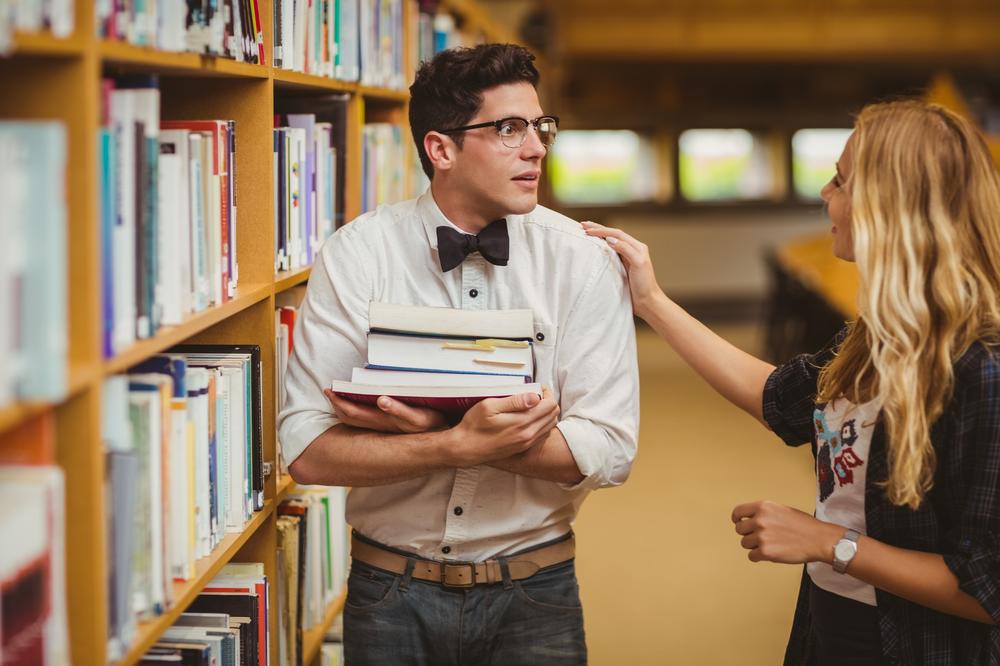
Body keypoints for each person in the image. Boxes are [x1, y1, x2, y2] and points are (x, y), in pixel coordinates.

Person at [583, 99, 1000, 664]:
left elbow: (986, 589)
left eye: (841, 181)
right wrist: (651, 302)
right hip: (831, 622)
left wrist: (829, 543)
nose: (826, 195)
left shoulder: (982, 369)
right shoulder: (879, 337)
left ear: (891, 206)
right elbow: (779, 399)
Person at [277, 43, 639, 665]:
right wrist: (456, 444)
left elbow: (608, 449)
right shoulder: (358, 254)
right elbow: (307, 450)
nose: (536, 148)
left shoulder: (581, 261)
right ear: (440, 149)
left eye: (538, 126)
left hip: (536, 590)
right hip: (386, 590)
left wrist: (430, 420)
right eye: (508, 129)